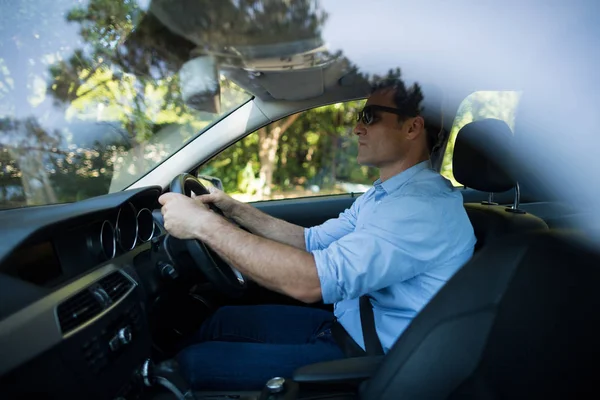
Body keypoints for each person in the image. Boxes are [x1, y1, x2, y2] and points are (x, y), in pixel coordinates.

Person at [158, 79, 477, 390]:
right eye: (359, 117)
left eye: (370, 117)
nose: (357, 128)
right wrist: (233, 209)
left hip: (371, 359)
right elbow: (312, 241)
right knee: (222, 320)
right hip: (344, 330)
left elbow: (311, 282)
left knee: (189, 365)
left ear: (412, 128)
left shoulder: (420, 209)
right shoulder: (385, 196)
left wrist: (204, 225)